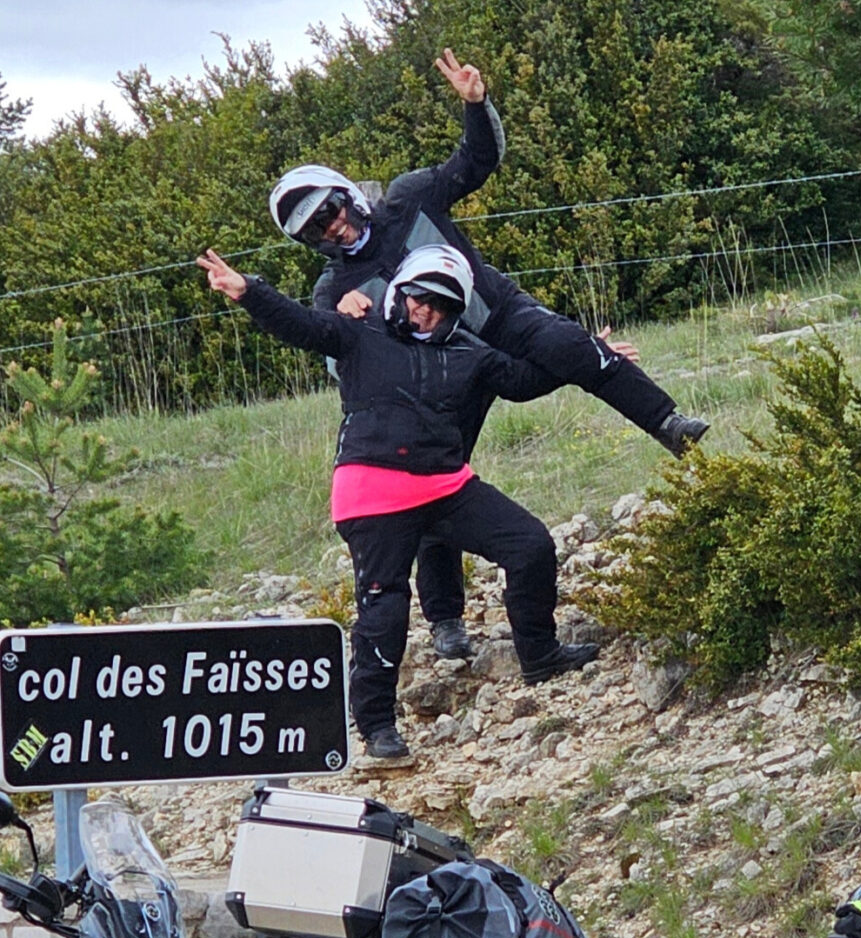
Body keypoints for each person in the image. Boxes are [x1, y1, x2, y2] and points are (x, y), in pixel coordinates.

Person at [268, 49, 708, 659]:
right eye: (316, 231)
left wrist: (476, 104)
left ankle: (667, 423)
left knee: (566, 344)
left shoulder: (409, 198)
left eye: (332, 212)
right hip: (446, 371)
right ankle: (446, 619)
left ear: (345, 195)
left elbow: (477, 161)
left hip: (499, 313)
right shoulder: (333, 290)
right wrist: (341, 324)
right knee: (435, 475)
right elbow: (339, 359)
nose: (334, 229)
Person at [198, 242, 601, 764]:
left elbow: (525, 380)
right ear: (400, 292)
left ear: (454, 312)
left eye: (439, 305)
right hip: (373, 492)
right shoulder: (358, 333)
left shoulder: (468, 352)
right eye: (418, 298)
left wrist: (587, 358)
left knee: (530, 545)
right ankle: (377, 727)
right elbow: (299, 324)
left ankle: (541, 656)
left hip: (445, 486)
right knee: (385, 608)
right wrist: (248, 289)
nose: (425, 310)